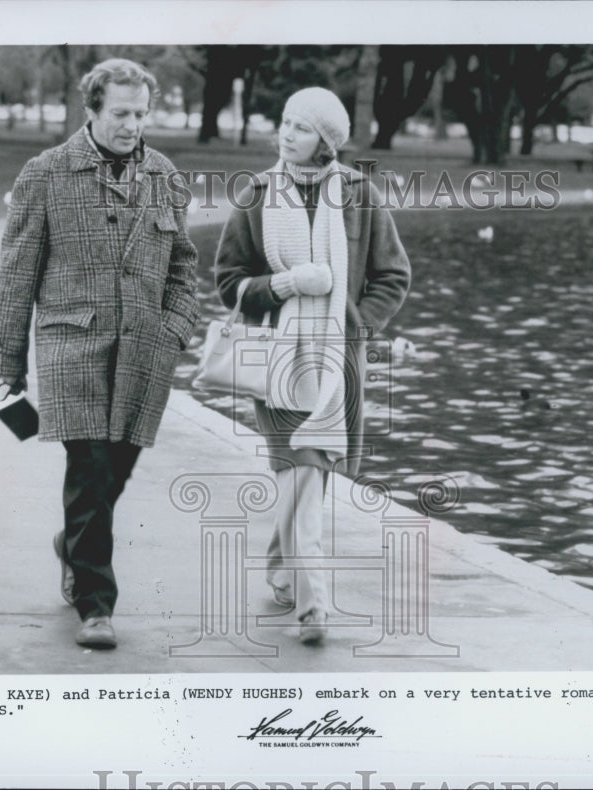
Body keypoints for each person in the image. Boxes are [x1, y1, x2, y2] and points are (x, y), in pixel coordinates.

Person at [0, 58, 199, 649]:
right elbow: (15, 278)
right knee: (91, 468)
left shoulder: (164, 174)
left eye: (141, 113)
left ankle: (72, 548)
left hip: (144, 352)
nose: (133, 125)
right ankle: (95, 606)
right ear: (92, 111)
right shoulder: (45, 173)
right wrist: (7, 368)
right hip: (70, 344)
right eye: (120, 113)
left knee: (116, 471)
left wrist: (174, 329)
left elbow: (184, 267)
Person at [214, 87, 411, 645]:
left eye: (301, 127)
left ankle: (283, 570)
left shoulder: (358, 193)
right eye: (284, 122)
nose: (287, 133)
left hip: (334, 362)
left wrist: (356, 327)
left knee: (308, 475)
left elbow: (393, 276)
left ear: (326, 142)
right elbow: (230, 282)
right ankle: (313, 605)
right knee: (300, 472)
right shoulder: (255, 194)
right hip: (276, 358)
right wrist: (285, 285)